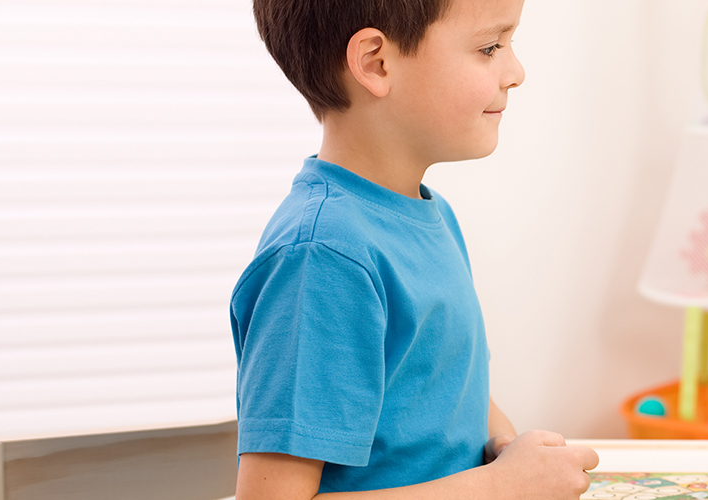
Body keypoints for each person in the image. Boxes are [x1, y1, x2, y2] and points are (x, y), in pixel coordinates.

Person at [231, 0, 597, 498]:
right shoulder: (322, 257)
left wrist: (511, 449)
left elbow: (448, 391)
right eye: (490, 47)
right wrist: (500, 487)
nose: (516, 72)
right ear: (376, 63)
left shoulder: (431, 214)